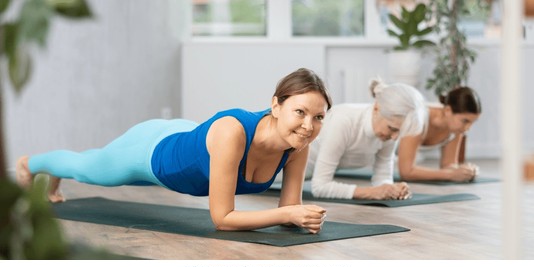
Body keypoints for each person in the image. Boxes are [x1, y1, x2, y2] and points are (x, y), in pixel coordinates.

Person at [15, 68, 332, 234]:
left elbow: (290, 209)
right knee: (88, 168)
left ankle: (52, 170)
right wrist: (289, 213)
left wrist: (301, 216)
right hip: (152, 152)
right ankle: (31, 164)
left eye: (318, 117)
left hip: (184, 134)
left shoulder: (296, 145)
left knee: (87, 164)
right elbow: (222, 218)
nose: (309, 126)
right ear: (275, 105)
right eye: (300, 112)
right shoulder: (233, 132)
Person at [306, 78, 426, 200]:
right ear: (376, 108)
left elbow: (383, 175)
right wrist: (372, 192)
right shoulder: (344, 121)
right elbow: (320, 187)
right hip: (287, 174)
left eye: (400, 132)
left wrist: (390, 190)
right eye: (392, 128)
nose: (395, 138)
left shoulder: (388, 133)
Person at [397, 86, 481, 182]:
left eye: (472, 122)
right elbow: (406, 172)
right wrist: (450, 175)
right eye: (465, 121)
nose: (467, 128)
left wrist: (464, 171)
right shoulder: (418, 118)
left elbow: (448, 165)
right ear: (448, 111)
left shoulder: (456, 129)